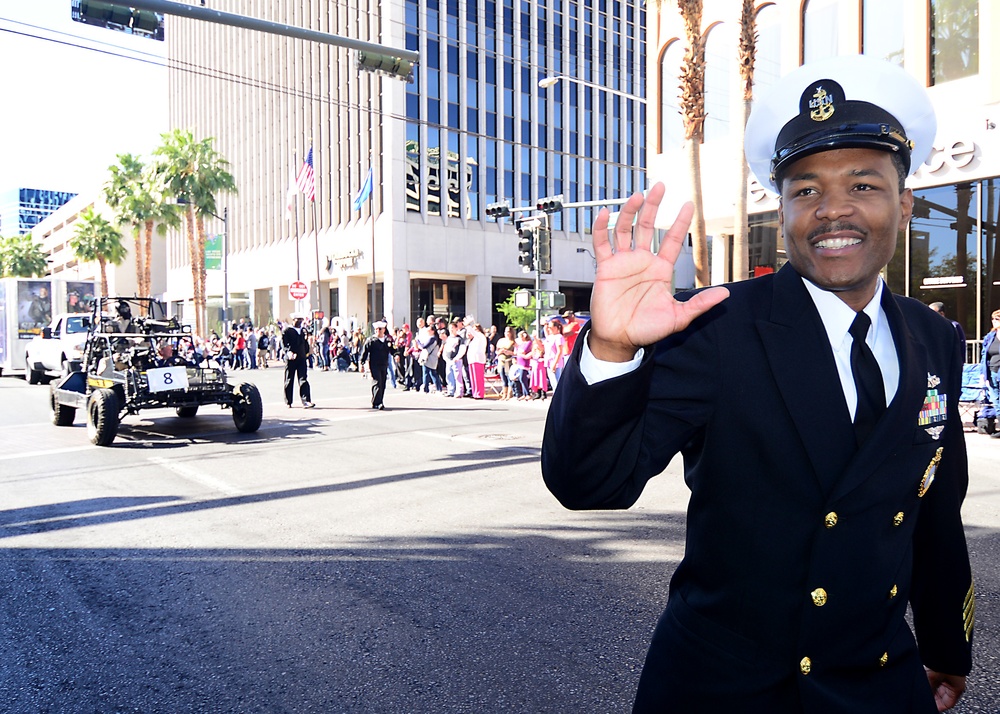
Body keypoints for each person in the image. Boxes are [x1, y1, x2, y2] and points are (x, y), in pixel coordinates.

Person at [541, 55, 973, 713]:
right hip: (727, 690)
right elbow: (590, 485)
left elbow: (934, 515)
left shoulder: (934, 337)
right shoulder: (717, 326)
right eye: (805, 190)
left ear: (905, 202)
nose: (832, 211)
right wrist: (612, 346)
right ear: (783, 208)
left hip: (879, 684)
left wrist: (948, 644)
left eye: (862, 185)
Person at [281, 315, 315, 408]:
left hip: (301, 358)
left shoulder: (303, 331)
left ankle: (306, 400)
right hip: (291, 358)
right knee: (289, 379)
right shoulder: (287, 331)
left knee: (303, 379)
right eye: (298, 320)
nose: (299, 322)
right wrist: (288, 352)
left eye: (301, 320)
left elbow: (305, 343)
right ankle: (288, 401)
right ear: (293, 320)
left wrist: (307, 353)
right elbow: (284, 344)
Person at [360, 321, 393, 410]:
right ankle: (377, 402)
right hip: (374, 364)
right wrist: (362, 363)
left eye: (380, 329)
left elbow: (393, 350)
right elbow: (365, 352)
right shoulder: (371, 340)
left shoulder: (387, 340)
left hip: (384, 363)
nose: (378, 331)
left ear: (384, 330)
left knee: (383, 383)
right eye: (376, 329)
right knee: (377, 382)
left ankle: (379, 400)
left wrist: (397, 354)